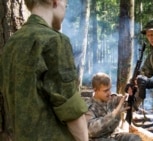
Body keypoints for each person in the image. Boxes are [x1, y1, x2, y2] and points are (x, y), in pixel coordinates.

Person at [0, 0, 89, 140]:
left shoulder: (11, 44)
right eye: (66, 3)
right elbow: (70, 108)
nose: (66, 8)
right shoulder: (55, 41)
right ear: (55, 2)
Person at [85, 72, 142, 141]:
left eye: (110, 89)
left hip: (115, 135)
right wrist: (114, 114)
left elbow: (132, 107)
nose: (109, 93)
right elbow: (91, 131)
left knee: (135, 139)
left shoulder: (113, 99)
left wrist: (136, 92)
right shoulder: (89, 107)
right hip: (98, 138)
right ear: (95, 90)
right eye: (105, 91)